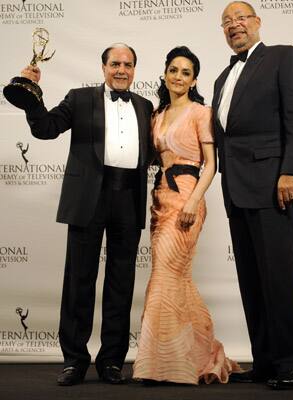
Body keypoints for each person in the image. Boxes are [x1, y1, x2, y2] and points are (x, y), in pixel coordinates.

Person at [20, 43, 153, 385]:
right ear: (103, 67)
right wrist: (31, 94)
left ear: (135, 69)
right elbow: (45, 128)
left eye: (127, 64)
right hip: (88, 198)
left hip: (129, 197)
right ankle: (74, 360)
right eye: (114, 63)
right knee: (79, 280)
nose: (121, 69)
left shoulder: (145, 106)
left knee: (122, 283)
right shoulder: (79, 98)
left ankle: (111, 361)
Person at [212, 1, 293, 390]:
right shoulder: (223, 77)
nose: (234, 26)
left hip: (275, 185)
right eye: (226, 22)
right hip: (236, 190)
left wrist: (292, 170)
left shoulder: (283, 57)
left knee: (279, 277)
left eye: (241, 19)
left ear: (257, 23)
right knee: (252, 279)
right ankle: (267, 360)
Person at [133, 46, 240, 385]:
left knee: (166, 277)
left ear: (194, 80)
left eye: (186, 72)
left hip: (187, 198)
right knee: (174, 280)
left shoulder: (200, 112)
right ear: (165, 73)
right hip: (160, 199)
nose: (179, 77)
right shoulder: (157, 114)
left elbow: (212, 164)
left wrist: (194, 200)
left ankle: (157, 365)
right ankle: (187, 357)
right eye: (174, 70)